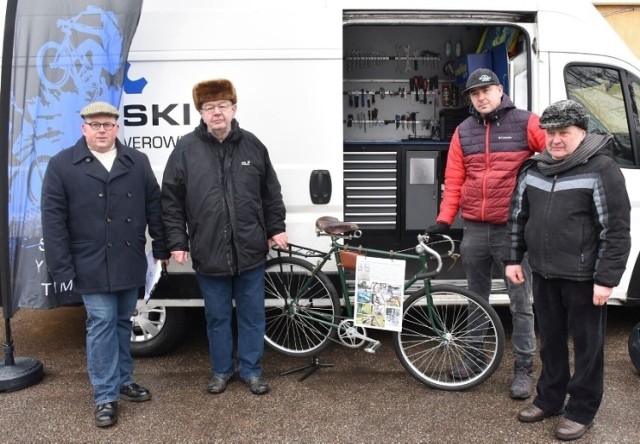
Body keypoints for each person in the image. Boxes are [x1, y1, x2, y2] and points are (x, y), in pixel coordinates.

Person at [504, 99, 631, 441]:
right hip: (543, 273)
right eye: (551, 133)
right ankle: (550, 398)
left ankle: (581, 410)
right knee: (552, 343)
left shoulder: (602, 169)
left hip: (584, 278)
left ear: (582, 133)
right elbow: (518, 217)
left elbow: (615, 229)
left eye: (564, 133)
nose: (556, 140)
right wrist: (513, 258)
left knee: (588, 348)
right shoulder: (534, 168)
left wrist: (606, 279)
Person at [41, 101, 170, 427]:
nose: (101, 130)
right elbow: (53, 221)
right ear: (83, 128)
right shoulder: (61, 165)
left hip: (128, 257)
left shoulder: (136, 161)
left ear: (117, 128)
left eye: (107, 124)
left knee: (123, 322)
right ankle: (105, 396)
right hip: (89, 261)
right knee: (100, 324)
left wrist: (161, 247)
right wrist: (62, 268)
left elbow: (154, 206)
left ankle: (123, 380)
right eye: (95, 124)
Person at [161, 78, 288, 396]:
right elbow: (171, 199)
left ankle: (252, 371)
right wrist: (177, 241)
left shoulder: (253, 146)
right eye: (208, 107)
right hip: (209, 251)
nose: (216, 112)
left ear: (233, 108)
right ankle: (220, 371)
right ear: (201, 113)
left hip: (250, 251)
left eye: (222, 106)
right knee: (216, 318)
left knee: (252, 317)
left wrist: (275, 227)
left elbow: (270, 193)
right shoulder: (186, 149)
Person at [426, 68, 546, 399]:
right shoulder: (463, 132)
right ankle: (474, 357)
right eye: (474, 93)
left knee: (521, 302)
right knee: (474, 299)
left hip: (512, 230)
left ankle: (524, 367)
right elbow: (454, 180)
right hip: (475, 229)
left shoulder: (525, 122)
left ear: (500, 90)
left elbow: (554, 152)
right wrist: (444, 219)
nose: (480, 97)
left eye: (486, 90)